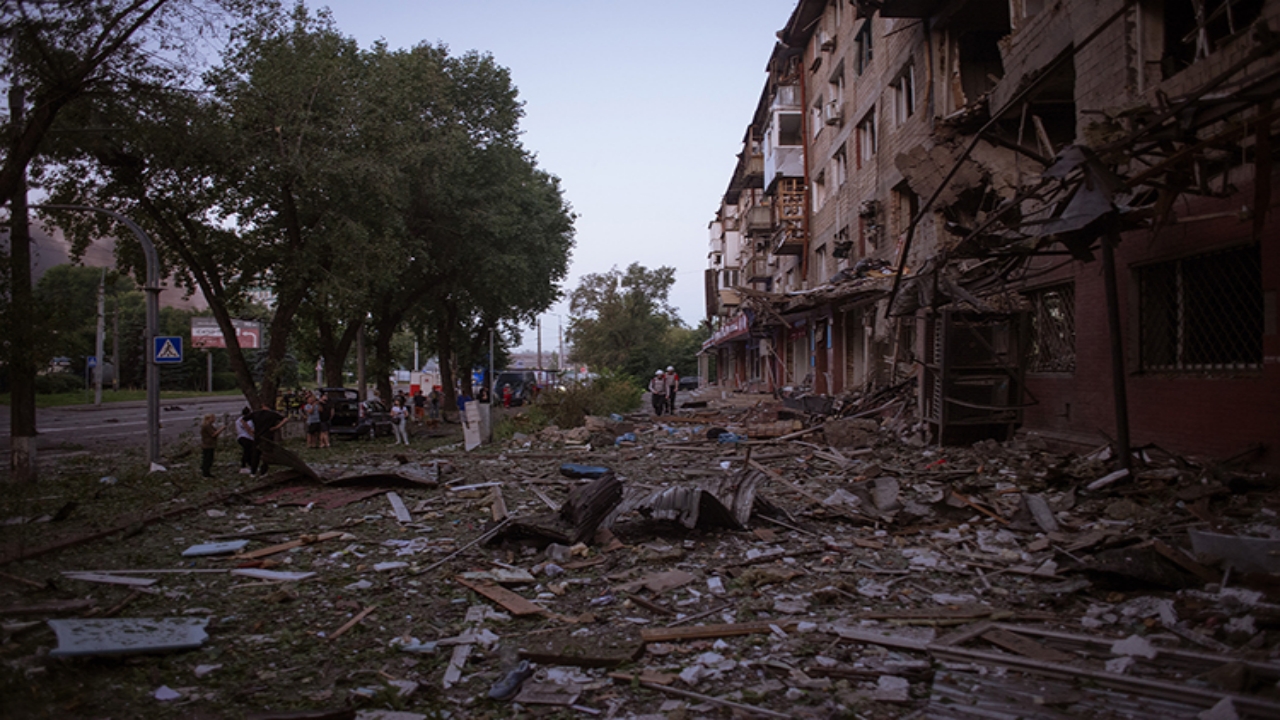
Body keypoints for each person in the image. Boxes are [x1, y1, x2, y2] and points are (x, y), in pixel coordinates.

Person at [249, 403, 288, 476]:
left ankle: (253, 472)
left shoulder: (256, 414)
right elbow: (285, 419)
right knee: (266, 454)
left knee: (255, 454)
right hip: (268, 437)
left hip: (258, 437)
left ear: (262, 406)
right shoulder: (272, 414)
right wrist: (277, 427)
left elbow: (243, 420)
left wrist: (249, 429)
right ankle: (263, 471)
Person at [200, 413, 225, 478]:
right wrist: (221, 429)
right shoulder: (207, 426)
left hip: (210, 444)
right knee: (207, 459)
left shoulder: (210, 425)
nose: (214, 419)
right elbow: (213, 434)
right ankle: (205, 472)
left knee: (209, 458)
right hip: (207, 444)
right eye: (213, 418)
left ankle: (206, 471)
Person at [235, 407, 255, 474]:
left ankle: (250, 465)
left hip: (240, 437)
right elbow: (250, 429)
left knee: (248, 452)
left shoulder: (238, 420)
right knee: (247, 452)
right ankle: (243, 466)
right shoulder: (249, 421)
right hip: (247, 438)